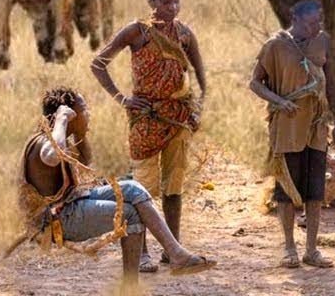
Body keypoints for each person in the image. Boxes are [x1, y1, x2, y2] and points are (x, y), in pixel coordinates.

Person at [16, 86, 211, 288]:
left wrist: (79, 130)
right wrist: (62, 119)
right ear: (68, 115)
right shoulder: (45, 141)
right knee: (129, 213)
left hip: (68, 205)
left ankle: (175, 253)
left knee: (133, 189)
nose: (88, 113)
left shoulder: (61, 138)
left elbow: (85, 159)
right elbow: (52, 156)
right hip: (55, 219)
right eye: (83, 109)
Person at [91, 0, 207, 273]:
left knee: (174, 186)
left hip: (177, 118)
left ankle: (173, 251)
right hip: (144, 119)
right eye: (165, 2)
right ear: (152, 3)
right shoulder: (137, 31)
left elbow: (200, 77)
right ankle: (141, 253)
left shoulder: (184, 34)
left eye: (176, 1)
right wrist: (123, 99)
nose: (172, 7)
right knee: (140, 189)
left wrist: (196, 110)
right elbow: (98, 63)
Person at [249, 0, 335, 269]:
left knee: (315, 191)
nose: (317, 26)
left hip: (316, 127)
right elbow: (255, 82)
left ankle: (312, 249)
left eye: (319, 21)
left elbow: (330, 81)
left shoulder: (322, 41)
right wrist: (278, 100)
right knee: (286, 190)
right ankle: (289, 249)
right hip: (287, 126)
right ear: (295, 18)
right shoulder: (275, 46)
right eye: (311, 22)